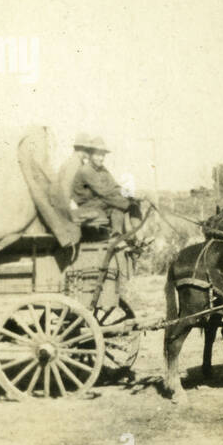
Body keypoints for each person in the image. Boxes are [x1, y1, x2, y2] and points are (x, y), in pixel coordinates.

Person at [68, 135, 143, 319]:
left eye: (103, 155)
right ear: (91, 155)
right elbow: (105, 192)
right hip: (88, 206)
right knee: (120, 207)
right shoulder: (86, 171)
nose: (101, 158)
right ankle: (118, 237)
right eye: (98, 155)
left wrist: (130, 195)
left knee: (132, 204)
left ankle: (135, 236)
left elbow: (114, 187)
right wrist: (124, 201)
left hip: (99, 203)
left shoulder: (103, 170)